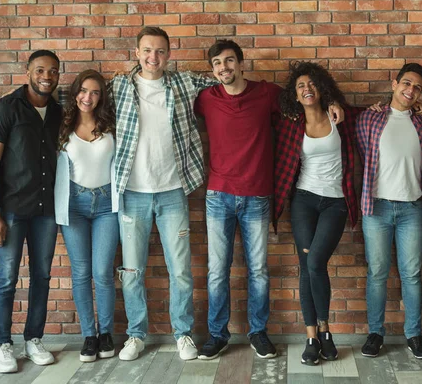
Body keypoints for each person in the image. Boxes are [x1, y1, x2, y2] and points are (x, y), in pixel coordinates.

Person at [194, 42, 344, 360]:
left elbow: (305, 100)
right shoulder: (206, 98)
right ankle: (217, 335)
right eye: (218, 63)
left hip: (258, 195)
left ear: (242, 63)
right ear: (212, 70)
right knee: (217, 271)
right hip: (218, 195)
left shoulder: (267, 94)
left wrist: (332, 102)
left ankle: (258, 333)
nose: (224, 68)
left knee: (259, 270)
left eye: (230, 61)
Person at [110, 26, 218, 361]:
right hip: (132, 193)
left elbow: (225, 82)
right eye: (146, 50)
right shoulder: (118, 86)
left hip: (173, 192)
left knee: (181, 270)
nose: (152, 57)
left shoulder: (184, 83)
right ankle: (135, 335)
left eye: (159, 51)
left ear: (168, 54)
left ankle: (183, 334)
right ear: (137, 52)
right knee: (132, 271)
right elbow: (81, 101)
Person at [274, 62, 361, 365]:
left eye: (311, 84)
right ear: (295, 95)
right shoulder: (289, 122)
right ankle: (315, 336)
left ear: (322, 89)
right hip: (303, 200)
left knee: (314, 261)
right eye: (300, 86)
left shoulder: (340, 116)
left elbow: (371, 112)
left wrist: (338, 104)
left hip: (335, 201)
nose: (306, 89)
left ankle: (324, 329)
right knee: (307, 265)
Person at [0, 50, 62, 373]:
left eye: (53, 71)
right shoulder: (5, 108)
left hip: (47, 210)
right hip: (12, 209)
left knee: (42, 276)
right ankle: (2, 343)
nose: (47, 76)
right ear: (28, 71)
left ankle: (33, 339)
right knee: (7, 278)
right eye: (40, 70)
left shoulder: (58, 112)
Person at [356, 63, 422, 359]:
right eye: (406, 83)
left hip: (412, 208)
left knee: (412, 274)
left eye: (417, 87)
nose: (410, 90)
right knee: (377, 272)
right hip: (376, 207)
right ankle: (375, 333)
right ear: (394, 83)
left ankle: (414, 335)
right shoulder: (370, 117)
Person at [54, 70, 119, 362]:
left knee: (103, 273)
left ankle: (106, 333)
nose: (87, 97)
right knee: (81, 273)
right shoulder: (62, 126)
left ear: (101, 96)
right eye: (83, 90)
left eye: (94, 92)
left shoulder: (111, 126)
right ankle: (88, 336)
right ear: (75, 92)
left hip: (107, 205)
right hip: (74, 206)